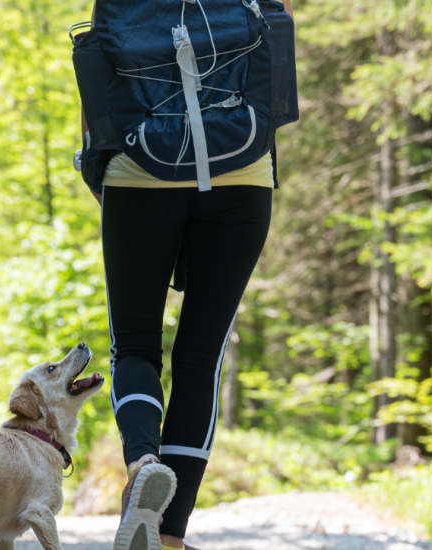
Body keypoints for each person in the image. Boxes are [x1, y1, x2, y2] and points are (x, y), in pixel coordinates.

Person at [79, 2, 294, 549]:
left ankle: (143, 459)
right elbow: (278, 54)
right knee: (200, 358)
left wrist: (100, 170)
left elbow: (100, 75)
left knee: (133, 347)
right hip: (243, 167)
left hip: (139, 166)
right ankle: (169, 536)